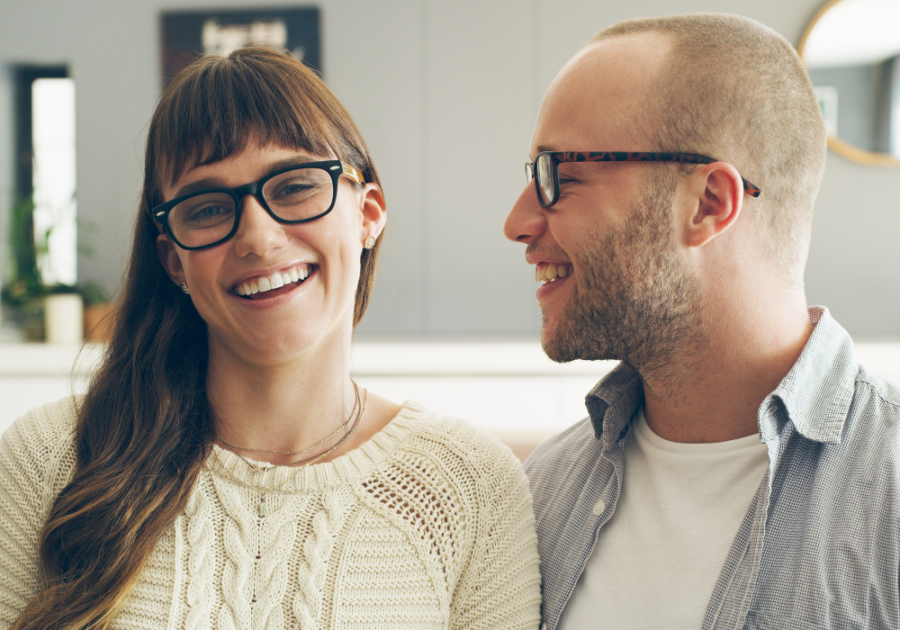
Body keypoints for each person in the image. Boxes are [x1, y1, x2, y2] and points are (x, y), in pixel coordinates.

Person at [0, 46, 541, 630]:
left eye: (294, 186)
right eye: (207, 208)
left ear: (368, 213)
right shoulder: (49, 460)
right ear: (173, 259)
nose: (258, 238)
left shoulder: (472, 485)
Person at [504, 13, 900, 630]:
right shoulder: (539, 494)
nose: (518, 222)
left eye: (559, 175)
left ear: (710, 203)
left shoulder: (890, 495)